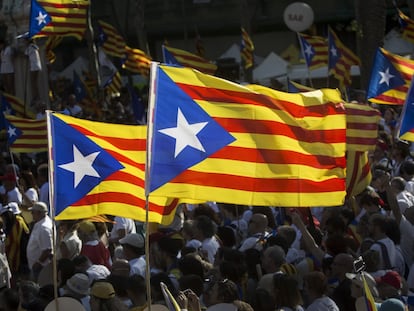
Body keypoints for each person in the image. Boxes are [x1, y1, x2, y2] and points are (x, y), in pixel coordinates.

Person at [26, 202, 52, 280]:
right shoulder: (41, 223)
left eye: (33, 212)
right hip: (36, 265)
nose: (31, 214)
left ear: (40, 213)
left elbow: (47, 249)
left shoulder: (44, 228)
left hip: (40, 266)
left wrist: (38, 263)